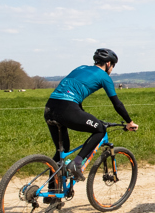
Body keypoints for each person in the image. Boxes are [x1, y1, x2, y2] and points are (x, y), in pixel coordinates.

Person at [44, 49, 138, 181]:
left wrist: (84, 116)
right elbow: (117, 104)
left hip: (49, 108)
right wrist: (129, 122)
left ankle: (52, 195)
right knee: (100, 129)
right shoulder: (104, 77)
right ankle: (76, 164)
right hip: (67, 109)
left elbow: (74, 99)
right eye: (113, 66)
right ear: (108, 63)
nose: (112, 69)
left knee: (61, 152)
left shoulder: (81, 68)